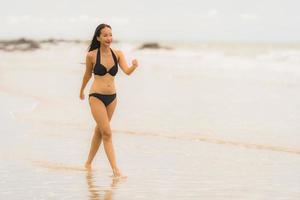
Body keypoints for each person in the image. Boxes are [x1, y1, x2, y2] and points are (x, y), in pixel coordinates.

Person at [79, 23, 138, 178]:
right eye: (105, 35)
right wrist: (81, 90)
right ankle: (116, 170)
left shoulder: (117, 54)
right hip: (96, 96)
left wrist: (134, 66)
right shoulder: (91, 55)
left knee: (100, 131)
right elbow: (87, 75)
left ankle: (88, 163)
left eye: (110, 34)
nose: (108, 38)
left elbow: (127, 71)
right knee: (107, 132)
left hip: (112, 98)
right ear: (98, 37)